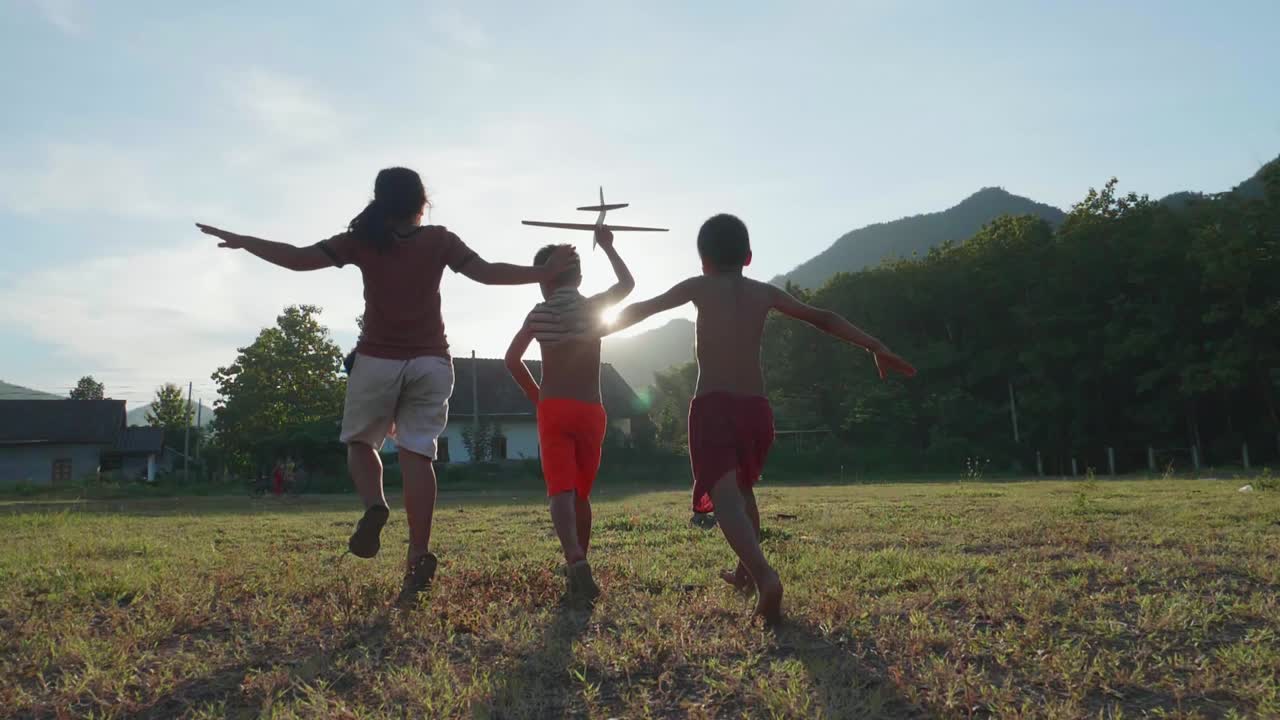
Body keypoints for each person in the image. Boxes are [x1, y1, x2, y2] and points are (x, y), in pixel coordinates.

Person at [197, 167, 579, 604]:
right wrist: (543, 272)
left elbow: (299, 258)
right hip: (432, 361)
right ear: (422, 202)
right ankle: (417, 555)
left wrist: (247, 242)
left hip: (377, 359)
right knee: (419, 454)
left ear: (380, 200)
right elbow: (488, 273)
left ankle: (375, 505)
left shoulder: (363, 239)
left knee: (361, 443)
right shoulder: (439, 240)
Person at [604, 213, 916, 624]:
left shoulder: (698, 286)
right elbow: (822, 317)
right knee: (744, 490)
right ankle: (745, 573)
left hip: (714, 405)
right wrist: (874, 344)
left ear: (703, 261)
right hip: (756, 409)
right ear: (749, 257)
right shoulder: (764, 293)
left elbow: (644, 308)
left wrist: (591, 328)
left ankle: (766, 576)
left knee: (726, 498)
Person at [504, 227, 634, 604]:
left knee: (559, 490)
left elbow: (512, 360)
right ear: (578, 277)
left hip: (554, 409)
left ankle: (574, 558)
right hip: (592, 411)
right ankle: (583, 558)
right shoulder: (593, 308)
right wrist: (608, 246)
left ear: (543, 280)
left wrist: (537, 396)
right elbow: (627, 284)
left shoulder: (538, 313)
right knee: (581, 493)